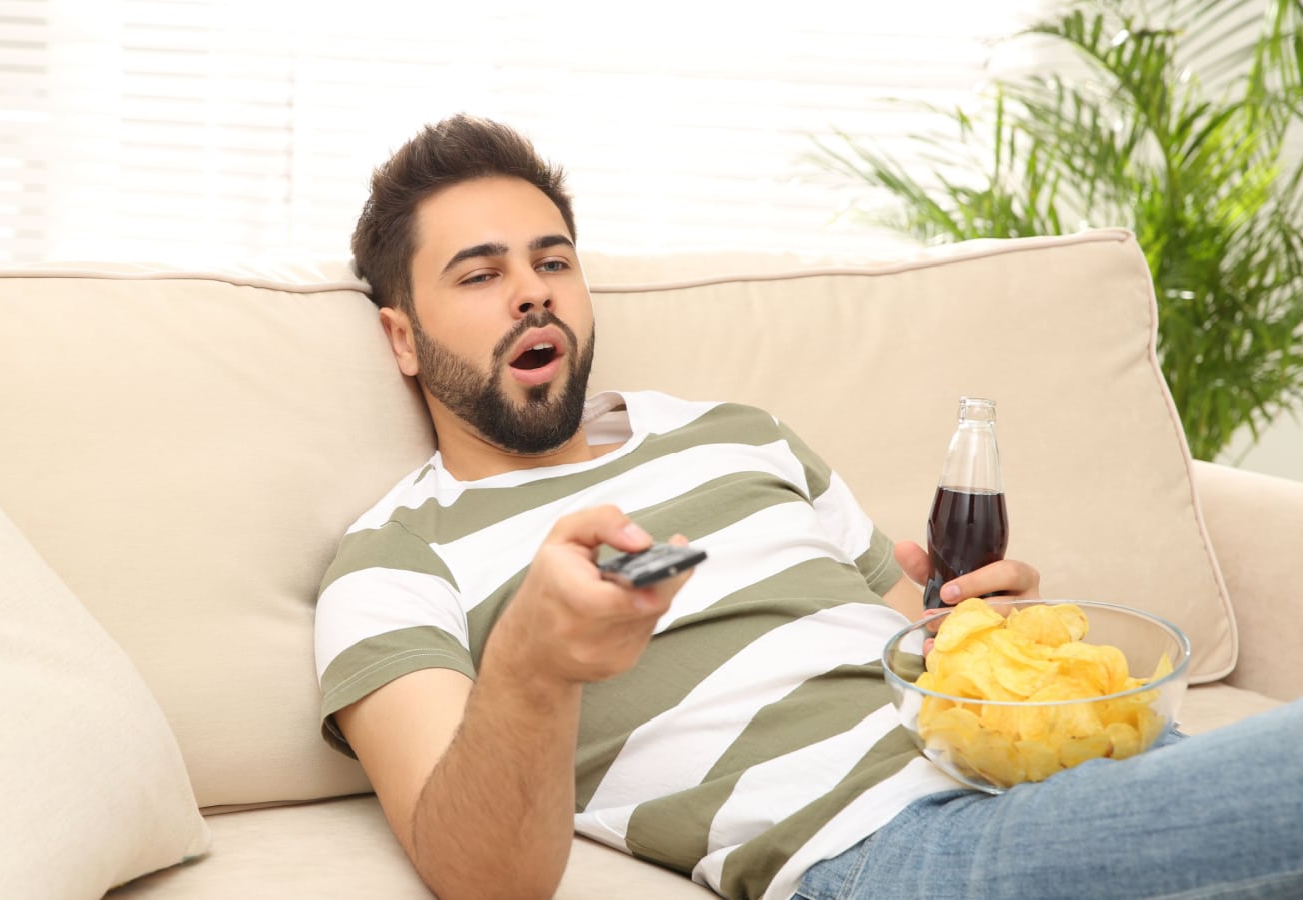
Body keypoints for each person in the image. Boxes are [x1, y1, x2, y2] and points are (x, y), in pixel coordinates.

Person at [313, 114, 1302, 900]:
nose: (531, 294)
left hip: (1053, 763)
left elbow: (911, 645)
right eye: (481, 275)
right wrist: (531, 662)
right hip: (897, 847)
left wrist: (976, 636)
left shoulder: (739, 433)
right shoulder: (393, 562)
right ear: (401, 337)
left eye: (552, 260)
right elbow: (480, 879)